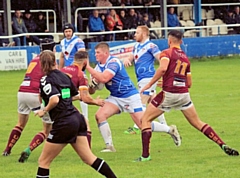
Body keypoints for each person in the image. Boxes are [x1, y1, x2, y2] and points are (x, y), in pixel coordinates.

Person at [135, 30, 239, 162]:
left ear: (169, 40)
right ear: (181, 42)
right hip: (184, 94)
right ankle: (221, 144)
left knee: (144, 120)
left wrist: (150, 83)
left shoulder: (166, 53)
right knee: (198, 123)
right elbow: (189, 83)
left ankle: (145, 156)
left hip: (169, 94)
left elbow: (162, 68)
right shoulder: (185, 58)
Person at [35, 50, 117, 178]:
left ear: (41, 64)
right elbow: (71, 96)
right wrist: (94, 101)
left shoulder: (45, 79)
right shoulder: (64, 76)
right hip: (77, 119)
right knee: (89, 158)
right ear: (54, 62)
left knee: (43, 161)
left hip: (64, 122)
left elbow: (55, 99)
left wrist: (44, 110)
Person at [86, 42, 180, 152]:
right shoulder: (97, 68)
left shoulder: (113, 62)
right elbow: (93, 91)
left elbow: (105, 78)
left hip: (130, 96)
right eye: (95, 52)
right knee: (99, 115)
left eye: (98, 52)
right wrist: (92, 85)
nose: (95, 55)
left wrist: (88, 67)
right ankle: (109, 146)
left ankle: (170, 130)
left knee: (142, 124)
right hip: (115, 97)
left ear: (106, 53)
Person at [123, 26, 180, 146]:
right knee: (154, 102)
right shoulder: (136, 46)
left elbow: (161, 59)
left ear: (144, 34)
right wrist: (128, 59)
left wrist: (166, 74)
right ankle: (165, 126)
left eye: (137, 32)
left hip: (148, 77)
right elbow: (132, 56)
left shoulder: (151, 46)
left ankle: (137, 126)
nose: (134, 34)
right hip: (142, 79)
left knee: (139, 101)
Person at [2, 52, 53, 162]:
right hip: (34, 93)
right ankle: (28, 150)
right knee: (46, 130)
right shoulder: (49, 59)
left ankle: (7, 150)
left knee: (20, 124)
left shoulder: (35, 59)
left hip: (22, 91)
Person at [60, 51, 105, 148]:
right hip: (62, 105)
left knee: (49, 131)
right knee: (85, 124)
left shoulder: (62, 70)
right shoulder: (80, 74)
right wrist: (95, 102)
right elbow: (85, 98)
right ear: (85, 62)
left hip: (51, 103)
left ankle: (30, 149)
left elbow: (65, 94)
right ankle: (88, 153)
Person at [59, 22, 88, 125]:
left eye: (69, 31)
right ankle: (68, 114)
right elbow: (62, 56)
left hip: (78, 71)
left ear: (73, 31)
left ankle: (85, 117)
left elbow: (82, 55)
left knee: (82, 93)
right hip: (67, 73)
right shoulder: (62, 42)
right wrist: (59, 69)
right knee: (66, 93)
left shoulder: (78, 41)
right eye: (66, 31)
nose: (67, 33)